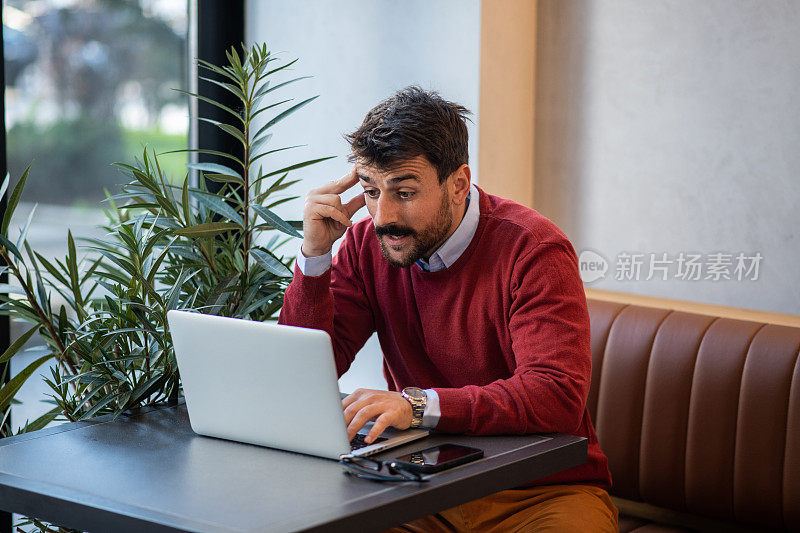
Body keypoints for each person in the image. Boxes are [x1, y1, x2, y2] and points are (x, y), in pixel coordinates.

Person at [278, 87, 618, 532]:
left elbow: (555, 397)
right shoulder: (367, 245)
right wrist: (315, 256)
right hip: (422, 486)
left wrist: (417, 405)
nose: (382, 217)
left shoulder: (533, 249)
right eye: (371, 191)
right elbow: (304, 371)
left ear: (458, 184)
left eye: (404, 192)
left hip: (540, 491)